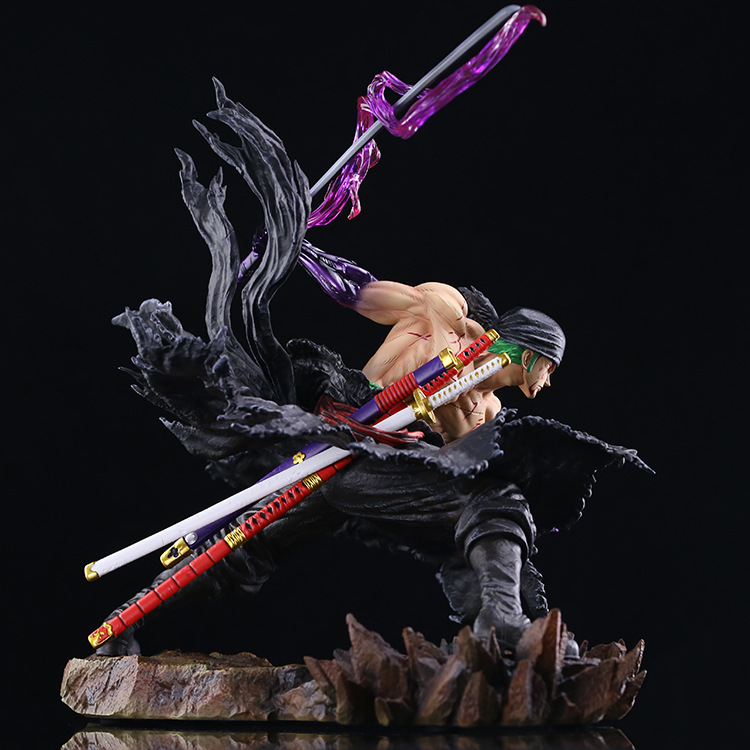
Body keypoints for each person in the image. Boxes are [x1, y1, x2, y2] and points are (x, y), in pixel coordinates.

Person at [93, 93, 648, 657]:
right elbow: (364, 293)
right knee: (254, 540)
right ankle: (501, 622)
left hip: (375, 464)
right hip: (348, 437)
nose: (548, 383)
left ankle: (119, 625)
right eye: (548, 368)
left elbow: (457, 475)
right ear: (526, 352)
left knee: (256, 543)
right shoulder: (448, 318)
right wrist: (294, 248)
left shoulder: (488, 410)